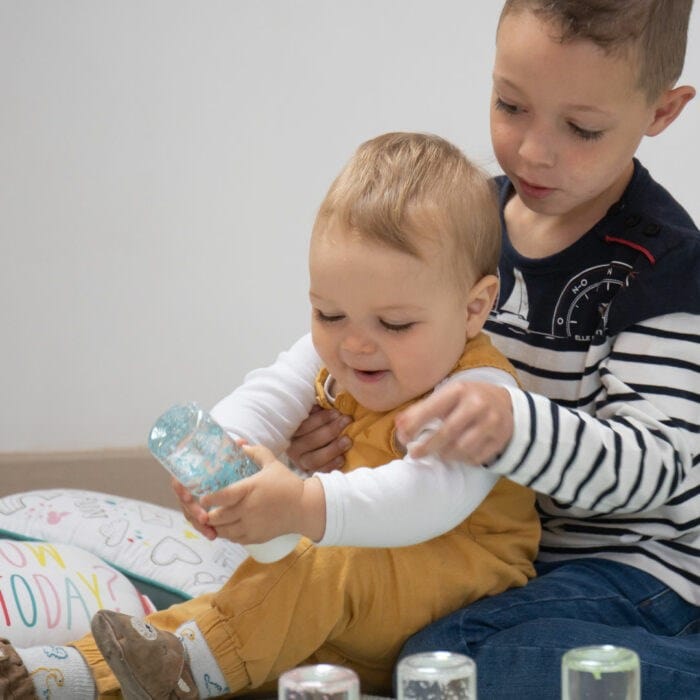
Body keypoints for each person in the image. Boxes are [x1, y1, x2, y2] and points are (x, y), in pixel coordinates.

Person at [0, 133, 540, 699]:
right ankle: (50, 677)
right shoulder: (338, 353)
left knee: (313, 572)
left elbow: (426, 497)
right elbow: (269, 393)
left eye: (395, 325)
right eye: (328, 313)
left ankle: (179, 669)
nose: (355, 345)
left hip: (454, 593)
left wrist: (304, 504)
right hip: (346, 588)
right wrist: (222, 456)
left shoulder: (481, 393)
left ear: (474, 307)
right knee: (248, 607)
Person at [267, 2, 700, 698]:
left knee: (453, 657)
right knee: (319, 623)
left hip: (636, 571)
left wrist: (515, 427)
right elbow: (393, 359)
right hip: (490, 548)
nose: (533, 150)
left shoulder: (665, 267)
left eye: (582, 128)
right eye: (510, 105)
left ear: (661, 112)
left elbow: (659, 465)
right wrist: (330, 430)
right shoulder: (463, 225)